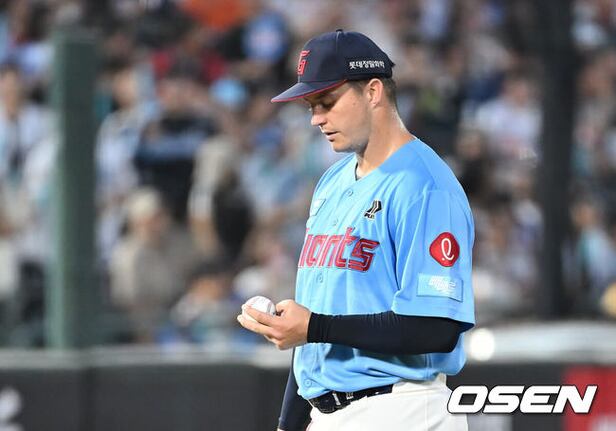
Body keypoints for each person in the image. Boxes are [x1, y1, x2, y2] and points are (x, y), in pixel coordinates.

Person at [237, 30, 475, 431]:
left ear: (373, 91)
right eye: (312, 106)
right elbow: (312, 329)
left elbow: (438, 327)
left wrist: (314, 327)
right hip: (326, 411)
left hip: (402, 407)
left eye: (327, 102)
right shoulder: (332, 181)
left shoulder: (425, 186)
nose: (316, 118)